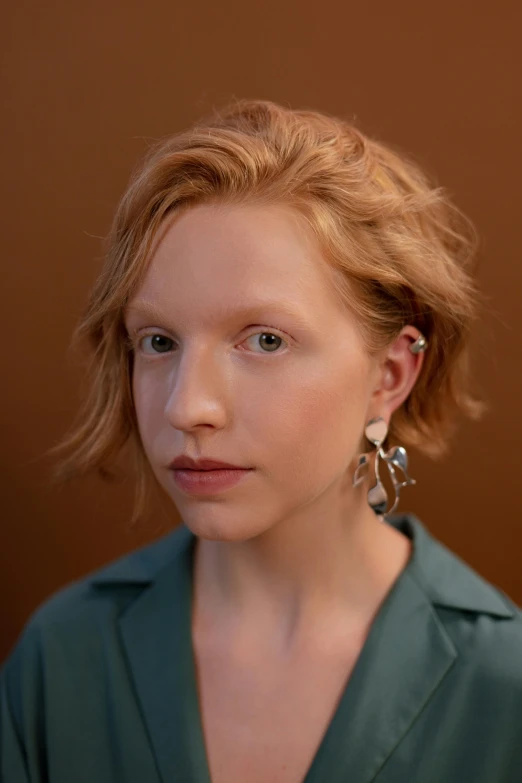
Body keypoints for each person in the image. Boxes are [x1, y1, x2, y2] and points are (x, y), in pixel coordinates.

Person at [1, 99, 521, 783]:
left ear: (389, 375)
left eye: (265, 340)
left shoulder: (503, 687)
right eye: (158, 341)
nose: (188, 405)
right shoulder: (62, 660)